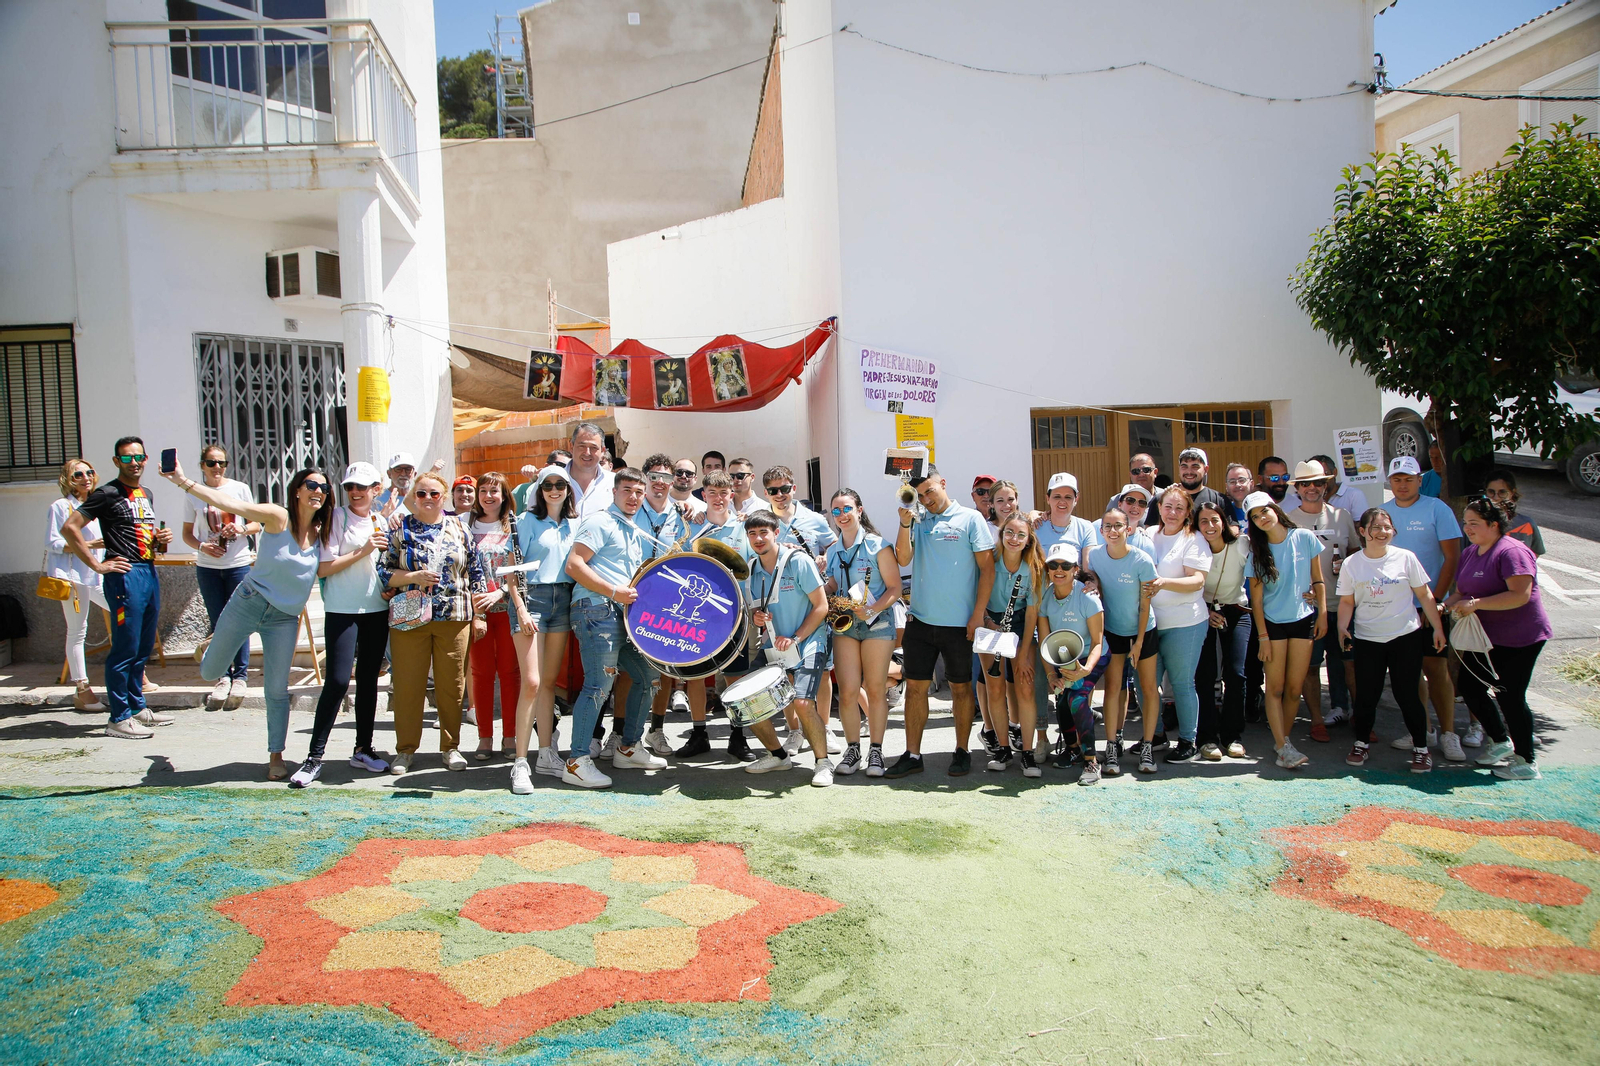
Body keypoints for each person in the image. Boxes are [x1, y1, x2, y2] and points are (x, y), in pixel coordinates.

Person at [163, 461, 329, 779]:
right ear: (297, 491)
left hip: (283, 618)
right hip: (249, 602)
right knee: (210, 671)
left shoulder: (323, 531)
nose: (318, 491)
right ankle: (213, 643)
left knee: (277, 689)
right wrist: (183, 481)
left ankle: (276, 756)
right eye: (311, 485)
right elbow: (230, 504)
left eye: (324, 487)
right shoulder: (278, 517)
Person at [61, 437, 175, 739]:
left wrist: (159, 539)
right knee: (125, 648)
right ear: (116, 462)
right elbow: (69, 527)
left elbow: (140, 534)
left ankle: (137, 707)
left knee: (142, 647)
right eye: (126, 458)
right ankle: (119, 717)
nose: (133, 463)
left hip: (148, 570)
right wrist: (97, 565)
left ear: (146, 459)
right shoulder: (107, 493)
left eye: (138, 457)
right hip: (125, 575)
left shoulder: (146, 493)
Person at [887, 465, 996, 778]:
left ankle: (962, 751)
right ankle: (912, 754)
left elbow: (987, 570)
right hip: (920, 622)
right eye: (919, 495)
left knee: (961, 690)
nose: (926, 499)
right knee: (915, 690)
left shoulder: (971, 519)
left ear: (943, 483)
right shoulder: (917, 519)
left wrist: (977, 614)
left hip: (960, 624)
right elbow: (903, 558)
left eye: (929, 491)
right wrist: (904, 522)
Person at [377, 472, 488, 776]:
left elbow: (476, 574)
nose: (427, 498)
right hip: (409, 616)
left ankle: (451, 747)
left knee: (452, 686)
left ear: (444, 497)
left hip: (454, 615)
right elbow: (384, 572)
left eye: (434, 494)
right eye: (422, 493)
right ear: (414, 497)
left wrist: (479, 615)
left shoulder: (461, 529)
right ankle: (405, 750)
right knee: (408, 685)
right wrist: (413, 576)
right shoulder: (401, 529)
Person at [563, 469, 667, 787]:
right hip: (596, 610)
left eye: (638, 491)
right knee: (598, 686)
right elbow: (574, 564)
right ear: (614, 492)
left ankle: (627, 748)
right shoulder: (600, 521)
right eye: (627, 490)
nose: (633, 497)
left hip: (620, 615)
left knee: (648, 677)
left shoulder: (633, 528)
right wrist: (613, 591)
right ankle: (576, 762)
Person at [295, 462, 393, 786]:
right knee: (337, 681)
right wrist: (364, 550)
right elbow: (324, 568)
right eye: (350, 486)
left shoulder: (382, 521)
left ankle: (363, 749)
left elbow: (383, 566)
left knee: (368, 683)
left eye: (362, 487)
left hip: (376, 609)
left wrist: (390, 587)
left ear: (376, 490)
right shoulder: (336, 517)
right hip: (341, 609)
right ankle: (314, 758)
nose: (355, 492)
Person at [1445, 498, 1553, 781]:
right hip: (1484, 638)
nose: (1468, 528)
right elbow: (1462, 591)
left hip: (1521, 638)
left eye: (1474, 523)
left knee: (1510, 695)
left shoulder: (1512, 551)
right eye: (1465, 523)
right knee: (1470, 687)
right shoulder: (1470, 552)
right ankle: (1500, 740)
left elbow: (1520, 595)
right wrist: (1443, 607)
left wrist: (1476, 604)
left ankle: (1526, 761)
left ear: (1493, 524)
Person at [1336, 507, 1447, 773]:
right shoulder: (1352, 563)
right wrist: (1342, 627)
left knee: (1407, 694)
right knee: (1366, 696)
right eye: (1375, 527)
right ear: (1362, 531)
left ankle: (1421, 749)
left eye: (1387, 527)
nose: (1382, 532)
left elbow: (1424, 595)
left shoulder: (1406, 558)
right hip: (1368, 639)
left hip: (1405, 636)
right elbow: (1347, 601)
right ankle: (1361, 743)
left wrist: (1437, 628)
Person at [736, 510, 837, 785]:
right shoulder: (751, 569)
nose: (758, 539)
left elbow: (821, 606)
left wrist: (796, 637)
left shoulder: (797, 561)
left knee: (803, 702)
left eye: (763, 532)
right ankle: (778, 756)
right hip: (774, 645)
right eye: (752, 534)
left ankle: (823, 762)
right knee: (746, 701)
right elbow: (756, 612)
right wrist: (757, 618)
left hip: (809, 640)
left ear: (776, 533)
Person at [1380, 456, 1464, 761]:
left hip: (1429, 606)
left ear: (1420, 480)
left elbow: (1452, 558)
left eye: (1409, 479)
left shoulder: (1437, 508)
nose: (1402, 485)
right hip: (1395, 608)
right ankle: (1423, 730)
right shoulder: (1382, 513)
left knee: (1436, 669)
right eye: (1397, 479)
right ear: (1390, 482)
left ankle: (1449, 733)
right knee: (1408, 672)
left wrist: (1436, 601)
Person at [508, 464, 579, 794]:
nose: (554, 490)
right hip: (531, 599)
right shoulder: (526, 521)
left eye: (560, 485)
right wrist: (521, 608)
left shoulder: (575, 524)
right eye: (547, 485)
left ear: (568, 490)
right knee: (532, 683)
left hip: (562, 599)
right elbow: (512, 570)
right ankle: (520, 762)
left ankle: (546, 754)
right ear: (539, 489)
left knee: (550, 683)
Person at [1244, 491, 1326, 771]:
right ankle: (1283, 745)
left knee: (1294, 690)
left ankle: (1284, 743)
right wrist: (1263, 637)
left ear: (1275, 509)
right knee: (1275, 688)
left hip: (1304, 620)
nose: (1262, 518)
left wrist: (1322, 614)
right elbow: (1256, 601)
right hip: (1272, 625)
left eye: (1264, 511)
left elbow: (1318, 579)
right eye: (1255, 517)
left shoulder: (1304, 537)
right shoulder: (1257, 552)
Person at [824, 489, 903, 778]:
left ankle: (877, 751)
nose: (841, 515)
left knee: (875, 688)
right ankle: (853, 749)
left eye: (847, 508)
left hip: (876, 623)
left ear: (859, 510)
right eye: (836, 511)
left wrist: (871, 610)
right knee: (847, 691)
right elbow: (833, 583)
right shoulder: (832, 550)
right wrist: (820, 592)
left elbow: (895, 588)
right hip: (846, 624)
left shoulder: (878, 545)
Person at [677, 472, 756, 761]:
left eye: (724, 493)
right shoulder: (692, 527)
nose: (719, 498)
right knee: (695, 675)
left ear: (731, 495)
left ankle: (738, 736)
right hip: (698, 613)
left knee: (736, 677)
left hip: (734, 613)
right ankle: (699, 734)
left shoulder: (744, 526)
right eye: (712, 492)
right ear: (704, 495)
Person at [765, 464, 839, 755]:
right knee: (786, 673)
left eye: (785, 489)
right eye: (773, 491)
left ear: (794, 489)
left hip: (812, 602)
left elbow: (834, 546)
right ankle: (794, 730)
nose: (780, 495)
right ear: (766, 493)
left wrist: (823, 557)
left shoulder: (814, 519)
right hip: (780, 605)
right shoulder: (764, 518)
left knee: (823, 672)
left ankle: (825, 726)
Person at [182, 444, 260, 712]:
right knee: (217, 621)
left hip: (237, 564)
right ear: (202, 465)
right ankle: (222, 676)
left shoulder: (239, 489)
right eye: (211, 463)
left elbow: (256, 523)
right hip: (208, 567)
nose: (217, 468)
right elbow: (187, 534)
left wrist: (241, 528)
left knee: (239, 619)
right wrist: (202, 547)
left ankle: (241, 676)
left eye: (222, 463)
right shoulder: (193, 493)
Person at [1287, 460, 1360, 740]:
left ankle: (1360, 718)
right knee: (1310, 667)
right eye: (1305, 484)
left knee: (1350, 664)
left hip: (1342, 605)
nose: (1312, 488)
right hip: (1307, 608)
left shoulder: (1342, 516)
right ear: (1297, 488)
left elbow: (1355, 555)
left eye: (1318, 483)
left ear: (1326, 485)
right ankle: (1316, 720)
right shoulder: (1288, 520)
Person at [1143, 485, 1213, 770]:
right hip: (1150, 625)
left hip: (1185, 623)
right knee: (1146, 684)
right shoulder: (1148, 534)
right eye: (1168, 506)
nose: (1172, 512)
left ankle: (1188, 741)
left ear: (1187, 513)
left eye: (1179, 508)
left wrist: (1164, 583)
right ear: (1159, 508)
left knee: (1182, 684)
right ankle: (1156, 735)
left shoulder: (1194, 539)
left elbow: (1197, 581)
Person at [1086, 505, 1156, 777]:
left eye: (1118, 526)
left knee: (1148, 688)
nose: (1112, 531)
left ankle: (1148, 746)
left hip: (1143, 631)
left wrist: (1138, 642)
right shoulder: (1095, 556)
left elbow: (1145, 605)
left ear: (1128, 529)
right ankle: (1112, 746)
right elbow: (1093, 580)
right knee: (1113, 688)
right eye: (1107, 526)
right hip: (1113, 631)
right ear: (1101, 530)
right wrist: (1093, 582)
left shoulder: (1142, 560)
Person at [631, 453, 693, 757]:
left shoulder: (681, 515)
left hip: (667, 599)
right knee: (628, 668)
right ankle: (619, 733)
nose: (660, 482)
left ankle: (656, 730)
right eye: (654, 476)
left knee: (664, 668)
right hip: (633, 595)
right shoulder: (631, 509)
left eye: (666, 477)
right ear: (645, 478)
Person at [1036, 543, 1106, 783]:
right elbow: (1045, 642)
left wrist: (1085, 670)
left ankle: (1091, 761)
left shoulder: (1088, 598)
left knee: (1076, 698)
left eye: (1065, 565)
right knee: (1062, 698)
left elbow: (1097, 643)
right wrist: (1051, 675)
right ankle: (1073, 749)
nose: (1059, 570)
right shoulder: (1046, 597)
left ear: (1075, 569)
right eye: (1053, 565)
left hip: (1091, 656)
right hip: (1063, 657)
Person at [979, 513, 1042, 775]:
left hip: (1019, 626)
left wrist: (1024, 653)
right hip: (990, 623)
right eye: (1009, 533)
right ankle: (1003, 749)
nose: (1014, 539)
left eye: (1021, 535)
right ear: (1002, 534)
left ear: (1028, 540)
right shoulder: (988, 560)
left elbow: (1032, 614)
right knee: (995, 689)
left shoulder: (1033, 568)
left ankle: (1027, 752)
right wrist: (987, 622)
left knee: (1025, 690)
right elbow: (976, 596)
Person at [46, 458, 109, 712]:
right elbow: (53, 543)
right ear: (68, 480)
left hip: (97, 576)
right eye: (78, 475)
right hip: (73, 576)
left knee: (127, 613)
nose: (85, 478)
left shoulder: (97, 504)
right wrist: (89, 545)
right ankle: (82, 689)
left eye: (89, 472)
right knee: (77, 630)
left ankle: (138, 674)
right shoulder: (61, 506)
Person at [466, 472, 522, 760]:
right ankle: (484, 737)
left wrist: (500, 592)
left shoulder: (515, 526)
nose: (488, 496)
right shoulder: (465, 525)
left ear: (504, 495)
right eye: (483, 491)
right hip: (477, 612)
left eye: (494, 491)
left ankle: (510, 735)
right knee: (481, 673)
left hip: (507, 608)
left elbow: (520, 567)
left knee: (510, 673)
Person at [1195, 499, 1252, 760]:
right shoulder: (1193, 548)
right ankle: (1207, 738)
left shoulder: (1241, 545)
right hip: (1201, 610)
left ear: (1224, 522)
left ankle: (1232, 735)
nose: (1210, 526)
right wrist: (1206, 613)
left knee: (1236, 673)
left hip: (1236, 609)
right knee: (1205, 675)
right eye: (1203, 521)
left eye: (1214, 520)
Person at [1483, 469, 1545, 557]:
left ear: (1512, 493)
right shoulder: (1474, 523)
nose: (1496, 497)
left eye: (1502, 492)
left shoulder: (1526, 524)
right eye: (1491, 492)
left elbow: (1535, 552)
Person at [1036, 473, 1098, 558]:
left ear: (1076, 499)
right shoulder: (1035, 526)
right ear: (1048, 499)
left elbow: (1088, 564)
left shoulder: (1085, 528)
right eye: (1057, 497)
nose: (1062, 501)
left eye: (1068, 497)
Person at [567, 422, 616, 520]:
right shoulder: (552, 481)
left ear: (602, 451)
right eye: (582, 446)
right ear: (571, 447)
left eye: (594, 448)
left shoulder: (615, 483)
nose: (587, 453)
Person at [1310, 453, 1370, 517]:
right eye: (1314, 476)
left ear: (1334, 472)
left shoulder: (1353, 495)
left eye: (1324, 474)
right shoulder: (1305, 496)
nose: (1320, 480)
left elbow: (1360, 522)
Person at [1172, 447, 1228, 513]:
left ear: (1206, 469)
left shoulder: (1219, 500)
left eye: (1195, 466)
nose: (1189, 472)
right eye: (1184, 466)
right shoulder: (1167, 499)